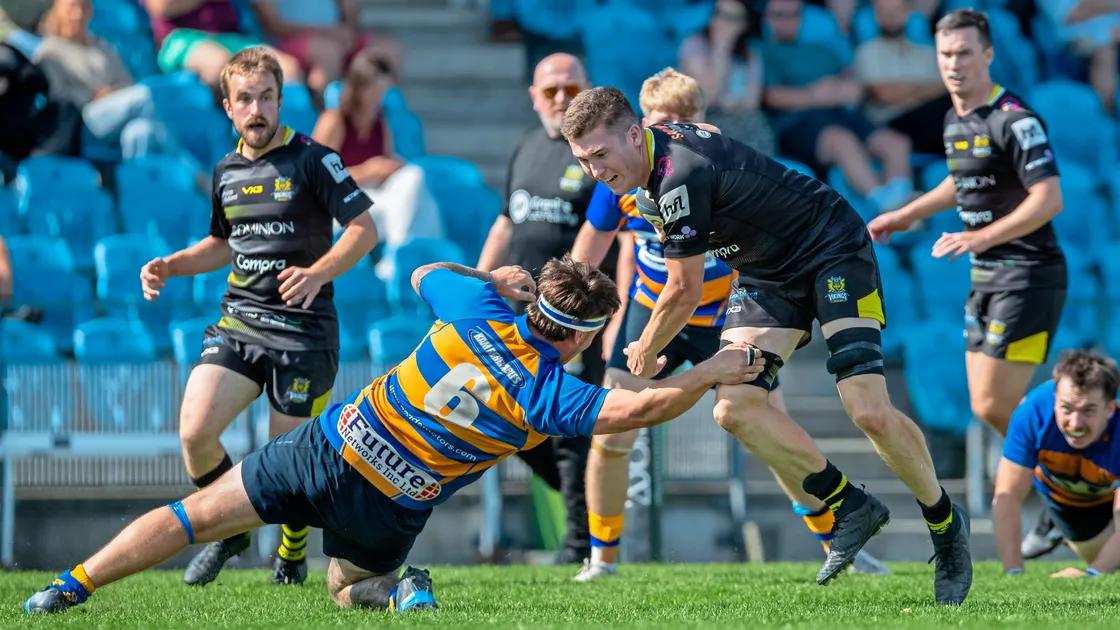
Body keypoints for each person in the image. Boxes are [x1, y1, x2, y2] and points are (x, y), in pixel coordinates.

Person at [24, 256, 764, 615]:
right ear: (578, 340)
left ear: (534, 301)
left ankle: (65, 589)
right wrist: (713, 370)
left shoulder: (477, 305)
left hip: (330, 449)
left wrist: (493, 278)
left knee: (192, 516)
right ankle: (398, 588)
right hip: (393, 503)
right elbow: (636, 413)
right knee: (345, 589)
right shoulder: (546, 390)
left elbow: (419, 274)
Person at [561, 86, 972, 605]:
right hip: (766, 275)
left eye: (601, 154)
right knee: (734, 410)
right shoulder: (650, 173)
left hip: (831, 249)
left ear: (633, 133)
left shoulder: (675, 179)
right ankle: (851, 507)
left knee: (866, 410)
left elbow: (684, 290)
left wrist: (644, 345)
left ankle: (945, 525)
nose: (596, 169)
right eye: (583, 160)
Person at [137, 47, 380, 587]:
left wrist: (318, 272)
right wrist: (171, 266)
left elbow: (365, 229)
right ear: (228, 106)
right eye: (245, 99)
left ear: (279, 99)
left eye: (266, 97)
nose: (257, 109)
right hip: (241, 323)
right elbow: (224, 245)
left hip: (304, 334)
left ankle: (290, 557)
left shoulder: (315, 159)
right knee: (195, 432)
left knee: (283, 460)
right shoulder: (226, 170)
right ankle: (231, 530)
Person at [867, 9, 1065, 557]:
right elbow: (964, 181)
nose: (953, 64)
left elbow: (1048, 199)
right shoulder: (957, 120)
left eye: (963, 53)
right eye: (945, 54)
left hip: (1028, 273)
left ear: (988, 55)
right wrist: (905, 214)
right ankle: (1065, 490)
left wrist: (978, 238)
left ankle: (1074, 487)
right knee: (989, 406)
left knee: (994, 402)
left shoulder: (1014, 119)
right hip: (987, 277)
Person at [475, 52, 620, 563]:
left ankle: (581, 546)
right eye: (551, 90)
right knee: (520, 424)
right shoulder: (525, 148)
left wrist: (599, 324)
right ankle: (587, 514)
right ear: (533, 96)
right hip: (521, 321)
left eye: (571, 88)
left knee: (570, 433)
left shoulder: (599, 158)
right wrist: (479, 283)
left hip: (580, 324)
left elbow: (608, 240)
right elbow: (505, 224)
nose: (560, 98)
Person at [992, 349, 1120, 578]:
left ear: (1110, 409)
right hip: (1066, 500)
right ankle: (1053, 524)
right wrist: (1014, 572)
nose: (1076, 423)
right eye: (1066, 408)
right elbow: (1007, 495)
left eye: (1088, 410)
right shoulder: (1032, 413)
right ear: (1054, 400)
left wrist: (1092, 574)